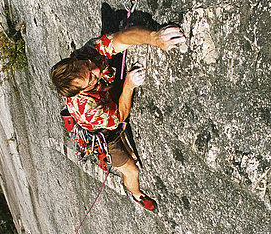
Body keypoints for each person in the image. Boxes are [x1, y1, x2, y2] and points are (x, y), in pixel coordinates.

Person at [50, 26, 186, 211]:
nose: (96, 68)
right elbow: (120, 116)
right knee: (131, 170)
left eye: (89, 65)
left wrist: (154, 37)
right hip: (105, 136)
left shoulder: (86, 55)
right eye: (91, 77)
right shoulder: (85, 109)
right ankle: (137, 195)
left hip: (107, 106)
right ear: (81, 91)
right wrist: (128, 85)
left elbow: (122, 38)